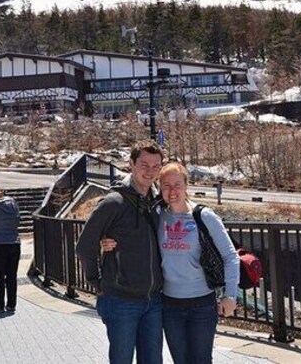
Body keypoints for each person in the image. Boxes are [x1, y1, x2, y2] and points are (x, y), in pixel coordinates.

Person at [101, 162, 240, 364]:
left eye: (177, 184)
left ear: (186, 185)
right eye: (166, 185)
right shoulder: (157, 216)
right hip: (170, 305)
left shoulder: (203, 216)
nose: (172, 190)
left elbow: (230, 256)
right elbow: (133, 234)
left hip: (202, 304)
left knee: (201, 360)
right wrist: (106, 240)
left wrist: (230, 295)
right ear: (160, 188)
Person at [75, 140, 164, 364]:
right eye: (144, 164)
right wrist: (97, 282)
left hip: (153, 301)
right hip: (120, 300)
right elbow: (85, 245)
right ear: (131, 164)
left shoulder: (157, 202)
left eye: (156, 166)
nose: (150, 171)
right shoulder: (114, 202)